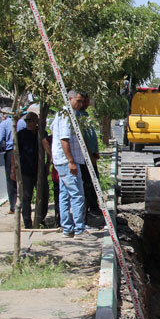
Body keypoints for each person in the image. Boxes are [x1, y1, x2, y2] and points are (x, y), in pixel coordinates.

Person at [51, 91, 93, 239]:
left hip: (63, 160)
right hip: (67, 161)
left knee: (64, 195)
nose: (81, 104)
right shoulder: (66, 115)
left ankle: (67, 228)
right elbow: (64, 139)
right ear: (69, 99)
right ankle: (80, 230)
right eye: (78, 101)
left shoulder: (67, 114)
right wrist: (71, 161)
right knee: (77, 195)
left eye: (82, 102)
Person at [0, 115, 27, 214]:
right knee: (23, 178)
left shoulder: (5, 124)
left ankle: (13, 206)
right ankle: (24, 204)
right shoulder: (23, 122)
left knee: (11, 179)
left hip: (11, 152)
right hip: (24, 151)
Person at [11, 112, 39, 228]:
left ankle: (40, 219)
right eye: (27, 121)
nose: (29, 123)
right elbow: (15, 152)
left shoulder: (40, 133)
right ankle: (27, 223)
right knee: (26, 197)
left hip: (39, 170)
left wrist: (48, 164)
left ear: (36, 121)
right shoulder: (21, 135)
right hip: (26, 170)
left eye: (31, 120)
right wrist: (13, 169)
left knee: (43, 194)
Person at [77, 95, 101, 220]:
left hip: (91, 154)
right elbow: (83, 137)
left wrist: (95, 151)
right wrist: (89, 155)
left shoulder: (84, 114)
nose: (85, 103)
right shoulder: (77, 115)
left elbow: (91, 135)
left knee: (95, 179)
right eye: (82, 101)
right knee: (89, 182)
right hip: (85, 156)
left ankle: (94, 206)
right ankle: (91, 208)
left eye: (86, 101)